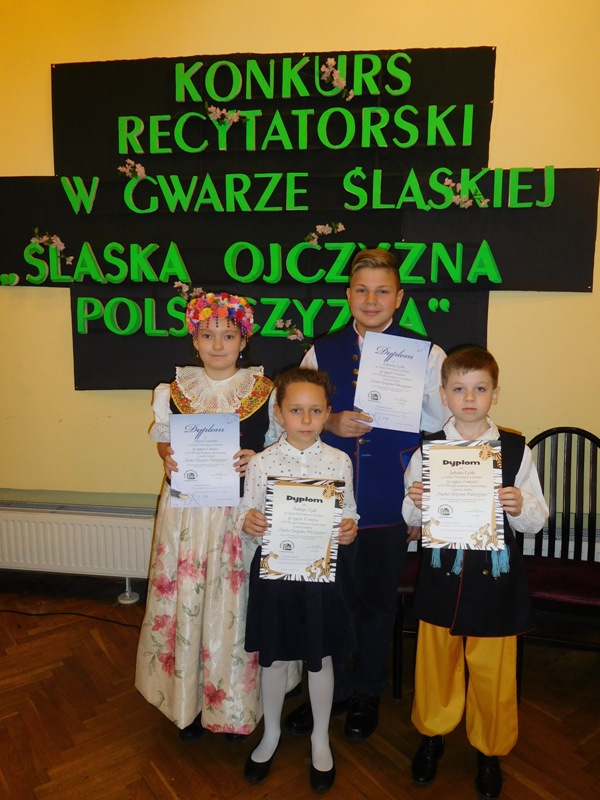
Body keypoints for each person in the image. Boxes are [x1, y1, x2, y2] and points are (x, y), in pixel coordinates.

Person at [281, 247, 447, 741]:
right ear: (348, 294)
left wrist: (421, 509)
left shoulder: (426, 353)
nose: (371, 300)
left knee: (377, 602)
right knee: (330, 599)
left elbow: (443, 430)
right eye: (361, 290)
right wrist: (330, 421)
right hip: (325, 501)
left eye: (382, 291)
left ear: (399, 297)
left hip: (390, 499)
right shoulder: (321, 352)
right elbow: (292, 414)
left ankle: (367, 692)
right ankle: (330, 691)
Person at [135, 286, 288, 740]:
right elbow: (164, 439)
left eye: (228, 335)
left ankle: (237, 701)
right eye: (208, 335)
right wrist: (167, 454)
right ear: (194, 340)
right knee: (189, 594)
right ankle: (190, 700)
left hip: (238, 513)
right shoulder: (173, 391)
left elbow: (281, 448)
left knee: (232, 602)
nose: (218, 344)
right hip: (187, 514)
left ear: (244, 340)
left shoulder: (266, 392)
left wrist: (256, 457)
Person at [402, 345, 549, 800]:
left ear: (495, 394)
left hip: (495, 578)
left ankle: (489, 749)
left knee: (493, 670)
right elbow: (410, 515)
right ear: (443, 394)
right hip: (442, 574)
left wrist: (520, 505)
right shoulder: (428, 449)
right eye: (459, 389)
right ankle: (433, 735)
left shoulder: (515, 449)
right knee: (436, 664)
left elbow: (536, 519)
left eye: (480, 389)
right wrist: (417, 502)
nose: (469, 398)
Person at [236, 367, 359, 793]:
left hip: (320, 576)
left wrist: (349, 527)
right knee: (272, 657)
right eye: (296, 410)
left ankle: (319, 737)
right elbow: (245, 512)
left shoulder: (339, 461)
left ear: (327, 413)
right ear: (279, 413)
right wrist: (249, 522)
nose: (306, 420)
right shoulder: (261, 463)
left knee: (320, 656)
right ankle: (271, 733)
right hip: (275, 575)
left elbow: (349, 511)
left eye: (316, 411)